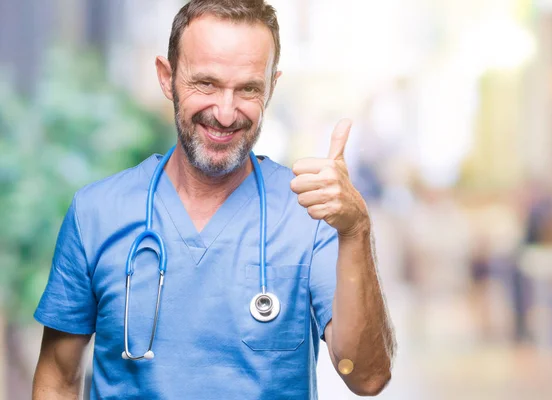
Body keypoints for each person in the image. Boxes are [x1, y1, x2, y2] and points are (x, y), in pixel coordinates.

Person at [31, 1, 395, 399]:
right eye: (206, 84)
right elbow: (58, 377)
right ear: (167, 78)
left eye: (248, 89)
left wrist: (356, 229)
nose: (225, 113)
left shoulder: (311, 215)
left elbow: (366, 377)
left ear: (271, 87)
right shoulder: (96, 214)